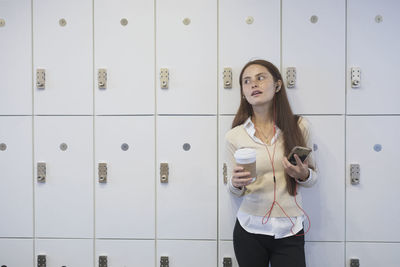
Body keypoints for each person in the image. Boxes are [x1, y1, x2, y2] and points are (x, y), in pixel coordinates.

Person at [225, 59, 317, 267]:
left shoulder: (299, 126)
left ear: (277, 85)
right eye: (247, 81)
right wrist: (236, 184)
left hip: (290, 229)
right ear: (243, 93)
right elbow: (232, 189)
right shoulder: (234, 136)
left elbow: (313, 177)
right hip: (249, 229)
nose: (253, 84)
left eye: (260, 78)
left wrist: (303, 174)